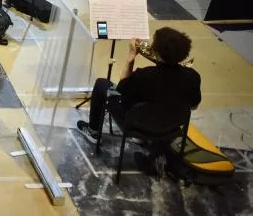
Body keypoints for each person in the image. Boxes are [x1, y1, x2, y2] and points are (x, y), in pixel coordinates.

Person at [76, 27, 201, 170]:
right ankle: (148, 145)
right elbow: (193, 105)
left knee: (101, 84)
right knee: (161, 104)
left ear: (158, 51)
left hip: (136, 124)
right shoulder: (193, 76)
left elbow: (121, 90)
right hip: (171, 127)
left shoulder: (144, 76)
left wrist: (131, 57)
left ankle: (93, 131)